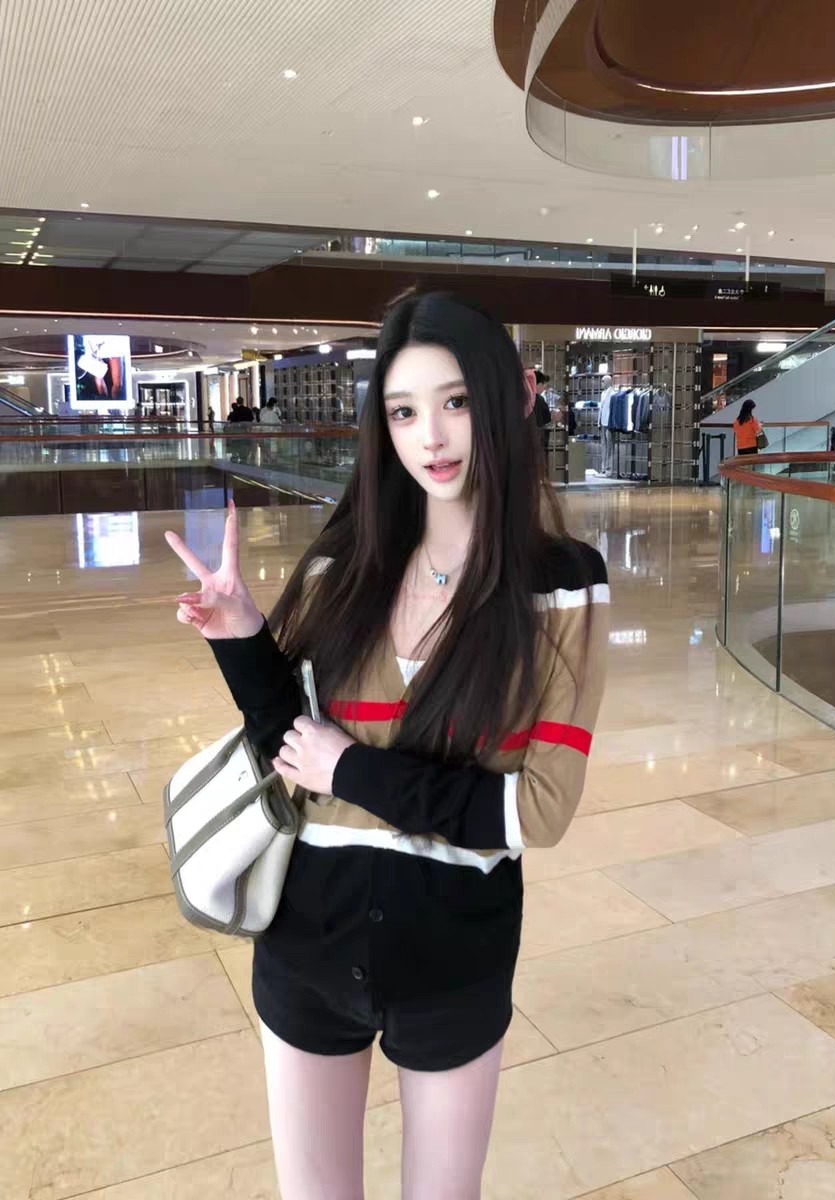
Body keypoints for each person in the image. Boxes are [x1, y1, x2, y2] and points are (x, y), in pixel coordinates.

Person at [164, 292, 609, 1200]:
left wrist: (352, 769)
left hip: (455, 956)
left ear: (514, 396)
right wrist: (242, 638)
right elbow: (289, 747)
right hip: (306, 944)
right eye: (404, 412)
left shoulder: (562, 587)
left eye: (456, 402)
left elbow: (535, 812)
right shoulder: (344, 566)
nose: (431, 437)